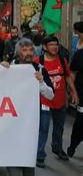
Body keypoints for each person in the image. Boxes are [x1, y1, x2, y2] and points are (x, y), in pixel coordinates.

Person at [0, 38, 54, 176]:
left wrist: (41, 83)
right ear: (18, 52)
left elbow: (50, 95)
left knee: (27, 158)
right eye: (24, 50)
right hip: (10, 119)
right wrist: (0, 70)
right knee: (10, 155)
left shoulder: (40, 69)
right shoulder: (9, 67)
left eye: (31, 50)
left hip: (30, 121)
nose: (28, 53)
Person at [34, 36, 78, 168]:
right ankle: (40, 155)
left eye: (56, 44)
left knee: (59, 128)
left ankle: (57, 148)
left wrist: (73, 93)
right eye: (51, 44)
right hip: (45, 102)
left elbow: (68, 77)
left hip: (60, 101)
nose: (54, 47)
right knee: (43, 129)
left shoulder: (62, 60)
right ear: (44, 47)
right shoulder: (38, 61)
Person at [68, 21, 83, 158]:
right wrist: (73, 92)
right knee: (80, 123)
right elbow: (71, 74)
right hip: (81, 95)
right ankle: (73, 145)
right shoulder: (79, 55)